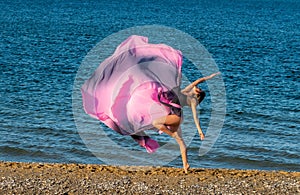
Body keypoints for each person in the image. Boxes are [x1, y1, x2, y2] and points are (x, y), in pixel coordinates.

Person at [81, 35, 220, 173]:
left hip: (177, 117)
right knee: (181, 141)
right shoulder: (186, 92)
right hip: (172, 113)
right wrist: (209, 77)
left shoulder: (193, 101)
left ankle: (173, 137)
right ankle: (185, 165)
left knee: (157, 124)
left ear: (198, 94)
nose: (197, 87)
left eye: (199, 89)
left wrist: (200, 131)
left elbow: (195, 116)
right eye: (198, 87)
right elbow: (197, 81)